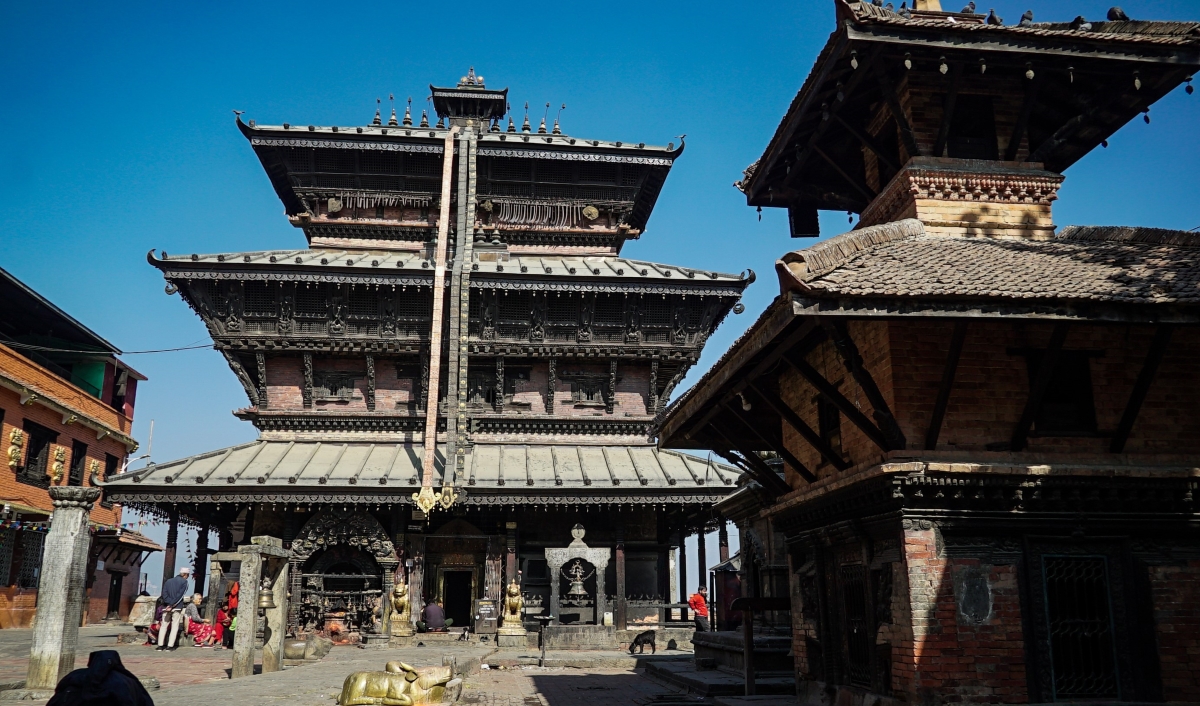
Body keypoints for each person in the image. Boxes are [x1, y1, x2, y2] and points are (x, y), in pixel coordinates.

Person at [158, 567, 192, 650]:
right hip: (176, 607)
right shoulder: (185, 582)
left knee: (163, 625)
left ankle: (160, 645)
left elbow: (164, 594)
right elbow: (180, 595)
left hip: (166, 606)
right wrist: (172, 604)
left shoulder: (168, 581)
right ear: (185, 575)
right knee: (174, 626)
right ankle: (170, 646)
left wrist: (168, 603)